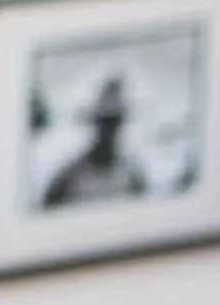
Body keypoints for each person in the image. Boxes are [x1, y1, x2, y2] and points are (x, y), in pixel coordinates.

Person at [41, 75, 150, 209]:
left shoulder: (132, 176)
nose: (109, 131)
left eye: (114, 123)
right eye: (105, 123)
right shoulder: (70, 178)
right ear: (96, 124)